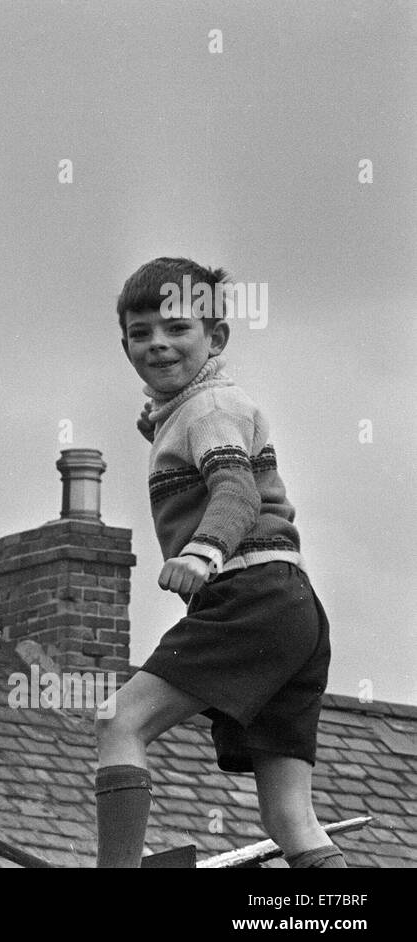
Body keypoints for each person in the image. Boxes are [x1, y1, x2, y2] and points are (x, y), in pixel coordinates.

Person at [95, 257, 343, 868]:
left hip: (247, 594)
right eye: (140, 332)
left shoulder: (210, 411)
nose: (157, 343)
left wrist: (203, 552)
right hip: (294, 610)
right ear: (124, 345)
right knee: (289, 814)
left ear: (217, 338)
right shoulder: (194, 410)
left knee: (120, 720)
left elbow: (236, 488)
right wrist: (158, 419)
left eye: (177, 328)